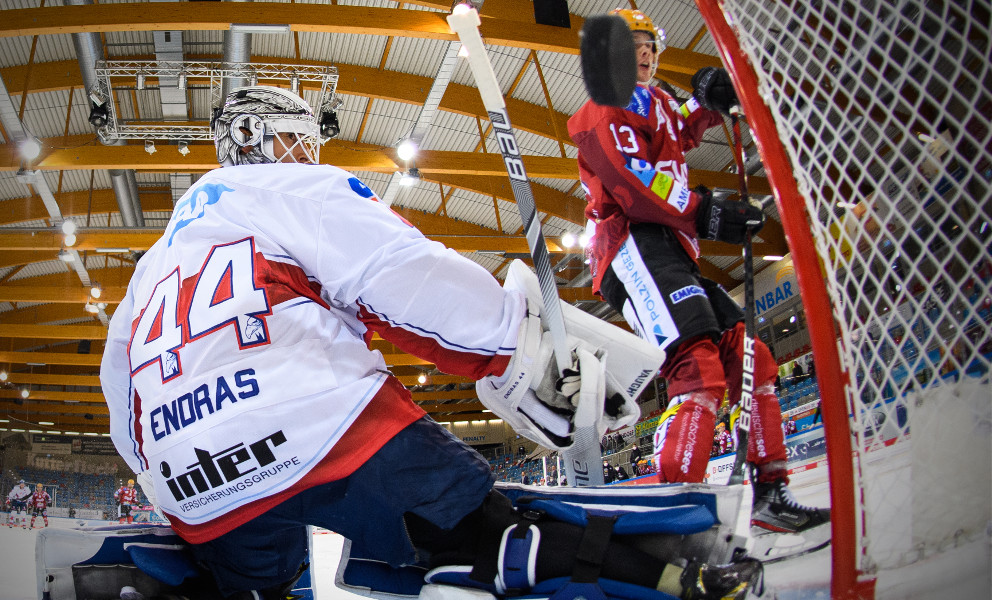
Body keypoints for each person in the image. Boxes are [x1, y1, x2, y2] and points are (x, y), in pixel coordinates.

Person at [99, 85, 764, 600]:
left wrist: (172, 482)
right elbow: (403, 280)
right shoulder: (294, 190)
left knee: (252, 579)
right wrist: (516, 351)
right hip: (323, 431)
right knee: (483, 536)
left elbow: (120, 400)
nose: (308, 153)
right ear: (262, 141)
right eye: (297, 140)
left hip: (193, 479)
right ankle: (679, 578)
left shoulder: (148, 270)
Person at [567, 8, 829, 551]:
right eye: (632, 44)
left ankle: (771, 495)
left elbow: (679, 123)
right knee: (698, 366)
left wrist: (708, 96)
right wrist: (705, 210)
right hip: (632, 244)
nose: (645, 52)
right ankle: (674, 513)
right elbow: (631, 179)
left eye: (650, 44)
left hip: (671, 249)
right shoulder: (602, 108)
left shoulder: (654, 101)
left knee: (749, 353)